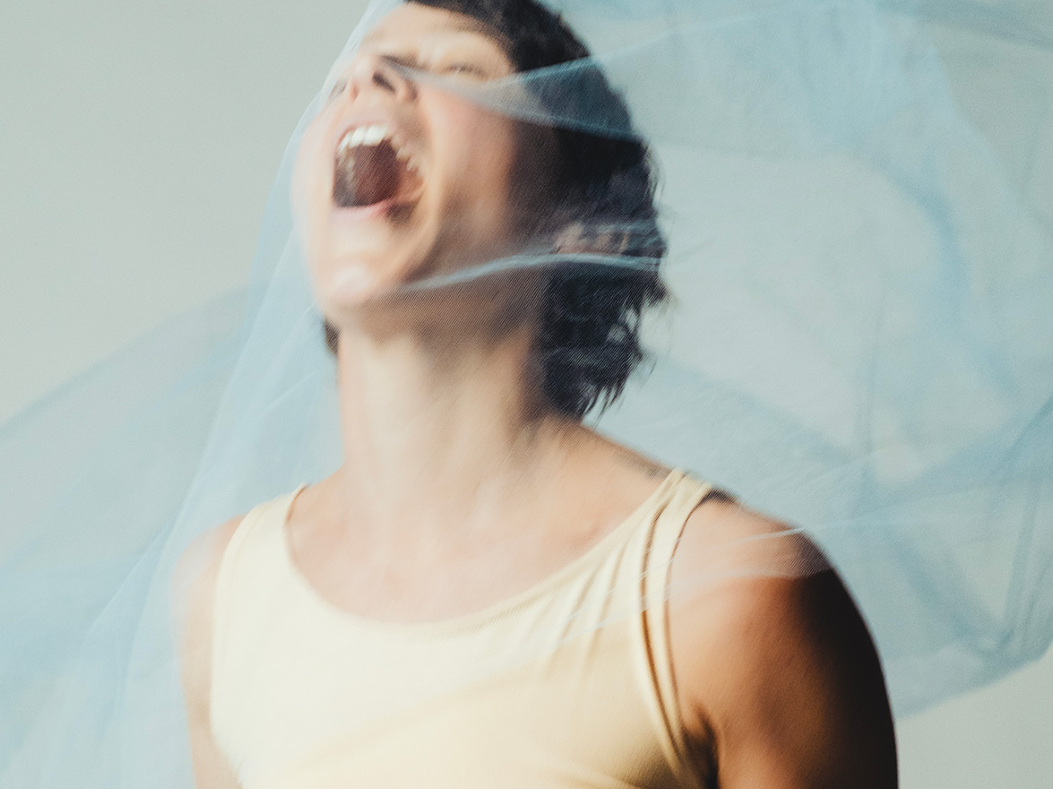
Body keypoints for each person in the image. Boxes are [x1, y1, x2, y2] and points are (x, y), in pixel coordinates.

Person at [176, 2, 895, 787]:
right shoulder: (226, 596)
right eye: (342, 77)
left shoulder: (721, 594)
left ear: (580, 225)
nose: (368, 74)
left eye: (457, 67)